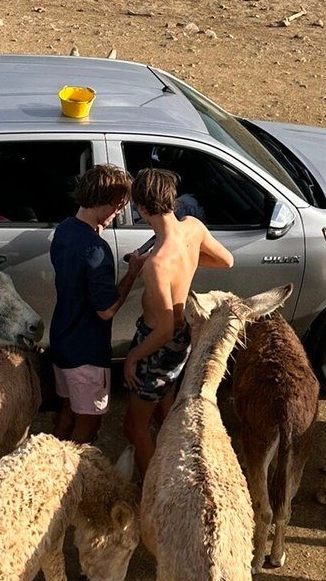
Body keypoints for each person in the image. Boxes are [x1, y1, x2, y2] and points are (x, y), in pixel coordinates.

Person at [123, 168, 233, 480]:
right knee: (164, 412)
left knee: (133, 427)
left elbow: (163, 330)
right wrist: (193, 261)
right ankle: (169, 466)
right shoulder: (194, 228)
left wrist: (132, 357)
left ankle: (152, 489)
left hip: (156, 346)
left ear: (143, 209)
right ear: (172, 199)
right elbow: (227, 261)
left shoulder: (157, 264)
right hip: (181, 341)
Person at [50, 164, 145, 444]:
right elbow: (106, 310)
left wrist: (98, 231)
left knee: (67, 413)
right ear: (106, 201)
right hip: (87, 352)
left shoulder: (66, 229)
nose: (118, 213)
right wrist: (132, 273)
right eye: (118, 206)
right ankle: (73, 479)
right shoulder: (96, 250)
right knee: (88, 424)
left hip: (63, 342)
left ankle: (49, 465)